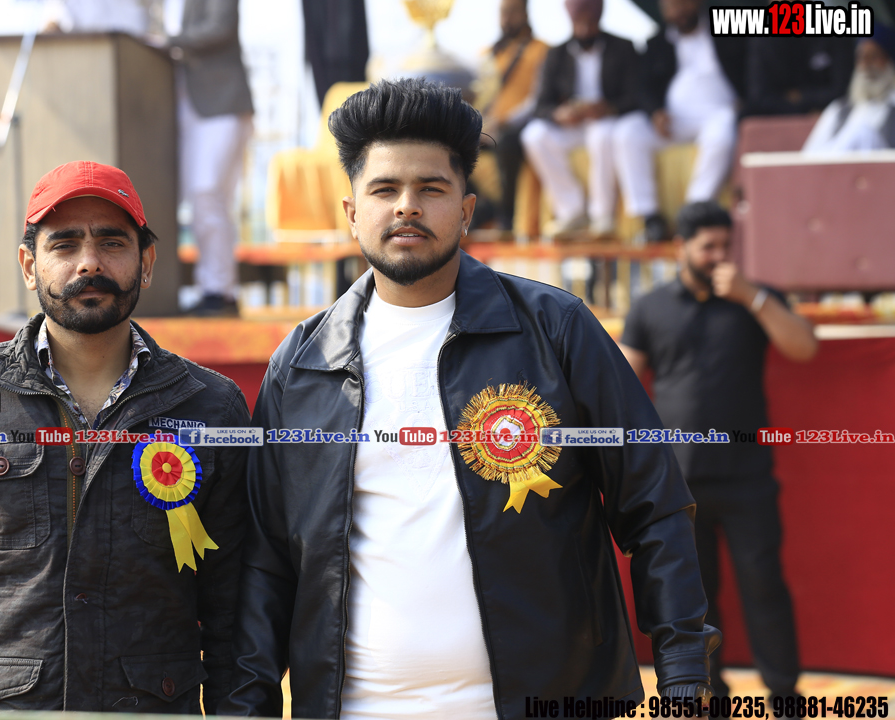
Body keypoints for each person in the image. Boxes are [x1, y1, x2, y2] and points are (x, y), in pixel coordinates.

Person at [221, 78, 719, 720]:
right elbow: (266, 561)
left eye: (431, 189)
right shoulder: (302, 364)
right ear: (351, 212)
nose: (407, 207)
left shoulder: (555, 330)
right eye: (384, 190)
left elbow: (654, 507)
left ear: (466, 209)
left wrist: (684, 677)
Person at [0, 161, 250, 712]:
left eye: (112, 242)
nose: (89, 262)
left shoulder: (211, 407)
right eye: (64, 244)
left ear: (146, 263)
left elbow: (235, 599)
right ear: (29, 265)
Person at [619, 201, 817, 699]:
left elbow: (804, 347)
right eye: (708, 247)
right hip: (680, 481)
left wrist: (753, 297)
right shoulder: (651, 307)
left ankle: (784, 693)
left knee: (764, 586)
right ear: (681, 248)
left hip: (748, 477)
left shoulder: (756, 299)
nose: (719, 256)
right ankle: (712, 696)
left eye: (727, 246)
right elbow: (620, 384)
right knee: (696, 597)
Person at [612, 0, 746, 242]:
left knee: (723, 131)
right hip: (674, 120)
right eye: (670, 6)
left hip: (718, 113)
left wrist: (745, 101)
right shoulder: (657, 42)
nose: (678, 11)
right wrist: (655, 112)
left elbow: (751, 67)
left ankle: (694, 210)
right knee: (627, 131)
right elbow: (642, 87)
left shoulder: (727, 28)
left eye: (682, 3)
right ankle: (649, 216)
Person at [520, 0, 639, 239]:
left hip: (606, 121)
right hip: (571, 126)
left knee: (602, 134)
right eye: (579, 23)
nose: (584, 29)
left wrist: (609, 108)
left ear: (599, 19)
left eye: (590, 23)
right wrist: (559, 114)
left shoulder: (623, 47)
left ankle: (602, 215)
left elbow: (636, 95)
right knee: (534, 135)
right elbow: (540, 105)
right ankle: (571, 210)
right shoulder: (556, 53)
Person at [165, 0, 254, 317]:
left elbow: (220, 27)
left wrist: (167, 42)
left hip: (221, 103)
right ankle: (215, 290)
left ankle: (218, 291)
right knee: (201, 200)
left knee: (208, 193)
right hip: (187, 108)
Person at [477, 0, 549, 230]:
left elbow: (537, 98)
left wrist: (504, 121)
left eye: (512, 12)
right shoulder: (489, 53)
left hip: (522, 124)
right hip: (489, 126)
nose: (507, 18)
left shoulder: (542, 50)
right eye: (503, 13)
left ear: (525, 14)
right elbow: (479, 95)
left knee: (507, 143)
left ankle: (507, 215)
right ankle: (477, 209)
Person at [802, 27, 895, 153]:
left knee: (863, 133)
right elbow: (809, 156)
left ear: (889, 61)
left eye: (874, 57)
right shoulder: (839, 109)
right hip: (835, 164)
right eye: (861, 57)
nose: (866, 65)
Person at [744, 36, 854, 118]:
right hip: (780, 117)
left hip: (832, 114)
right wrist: (804, 110)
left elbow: (843, 90)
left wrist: (803, 97)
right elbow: (760, 97)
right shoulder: (765, 41)